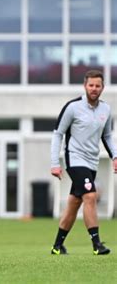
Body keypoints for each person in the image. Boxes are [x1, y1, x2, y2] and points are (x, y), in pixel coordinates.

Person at [50, 69, 116, 255]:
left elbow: (108, 136)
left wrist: (115, 156)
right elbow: (58, 134)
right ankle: (97, 244)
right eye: (91, 85)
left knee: (74, 203)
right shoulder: (72, 107)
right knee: (90, 196)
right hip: (75, 159)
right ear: (85, 86)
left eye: (98, 86)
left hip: (92, 162)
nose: (94, 89)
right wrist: (55, 163)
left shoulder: (106, 109)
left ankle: (57, 246)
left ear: (102, 88)